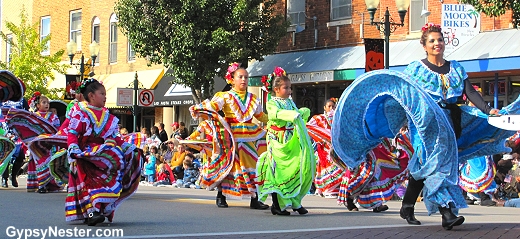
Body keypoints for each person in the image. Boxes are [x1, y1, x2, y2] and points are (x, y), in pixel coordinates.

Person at [332, 22, 517, 231]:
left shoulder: (456, 68)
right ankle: (447, 213)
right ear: (424, 45)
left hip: (450, 122)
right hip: (424, 125)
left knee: (426, 167)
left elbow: (470, 93)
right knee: (436, 164)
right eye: (432, 41)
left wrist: (488, 109)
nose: (437, 43)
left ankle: (408, 205)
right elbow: (406, 96)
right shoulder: (416, 69)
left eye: (440, 40)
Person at [189, 62, 269, 209]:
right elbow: (213, 107)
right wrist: (201, 108)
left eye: (246, 77)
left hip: (249, 136)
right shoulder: (225, 96)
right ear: (232, 79)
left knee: (253, 166)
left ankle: (254, 198)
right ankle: (221, 195)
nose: (244, 80)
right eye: (240, 77)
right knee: (228, 166)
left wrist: (275, 120)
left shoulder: (253, 98)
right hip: (230, 137)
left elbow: (260, 116)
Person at [66, 79, 142, 226]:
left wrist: (129, 148)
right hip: (84, 155)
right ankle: (92, 212)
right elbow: (73, 133)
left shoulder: (109, 117)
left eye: (105, 94)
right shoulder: (81, 114)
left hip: (103, 155)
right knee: (87, 182)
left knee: (107, 181)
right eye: (102, 93)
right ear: (91, 95)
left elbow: (115, 137)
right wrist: (74, 148)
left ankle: (101, 209)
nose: (105, 97)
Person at [256, 66, 315, 215]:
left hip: (289, 140)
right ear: (276, 89)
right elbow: (275, 114)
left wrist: (302, 112)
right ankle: (277, 205)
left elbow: (296, 114)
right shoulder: (272, 103)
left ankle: (295, 202)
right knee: (278, 172)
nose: (289, 91)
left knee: (295, 168)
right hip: (276, 141)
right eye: (286, 88)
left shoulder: (290, 102)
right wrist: (293, 115)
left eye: (290, 88)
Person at [306, 98, 344, 198]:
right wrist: (319, 138)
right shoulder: (319, 118)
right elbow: (309, 128)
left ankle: (324, 189)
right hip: (322, 149)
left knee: (334, 168)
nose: (331, 108)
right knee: (326, 169)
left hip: (334, 148)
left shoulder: (338, 118)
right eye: (329, 106)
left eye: (333, 106)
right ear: (324, 107)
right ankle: (326, 190)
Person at [26, 92, 62, 193]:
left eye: (48, 103)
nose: (46, 104)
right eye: (44, 102)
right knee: (38, 163)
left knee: (48, 163)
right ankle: (40, 185)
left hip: (49, 144)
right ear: (38, 105)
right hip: (36, 144)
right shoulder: (33, 116)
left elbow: (57, 129)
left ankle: (48, 184)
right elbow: (30, 130)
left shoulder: (53, 117)